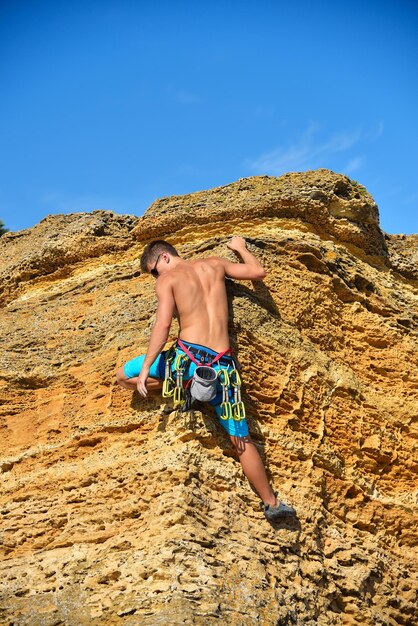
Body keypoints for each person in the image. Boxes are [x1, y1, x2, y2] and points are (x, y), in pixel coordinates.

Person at [116, 236, 296, 521]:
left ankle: (184, 387)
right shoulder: (215, 265)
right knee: (241, 439)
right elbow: (257, 272)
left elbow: (162, 325)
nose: (154, 276)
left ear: (164, 258)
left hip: (185, 360)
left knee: (124, 375)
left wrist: (146, 368)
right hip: (223, 368)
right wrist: (240, 249)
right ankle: (272, 503)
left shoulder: (168, 279)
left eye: (153, 270)